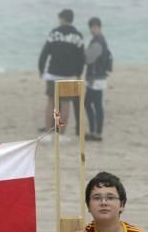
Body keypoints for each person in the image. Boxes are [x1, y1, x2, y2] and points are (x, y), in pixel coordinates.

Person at [36, 8, 85, 137]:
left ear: (63, 19)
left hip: (53, 74)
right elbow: (81, 58)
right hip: (69, 75)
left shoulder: (54, 33)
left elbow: (45, 53)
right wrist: (79, 73)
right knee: (65, 104)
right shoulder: (78, 36)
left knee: (51, 102)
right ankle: (60, 134)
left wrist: (41, 69)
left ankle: (48, 133)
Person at [83, 17, 111, 141]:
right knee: (92, 104)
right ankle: (94, 131)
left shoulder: (98, 42)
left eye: (94, 27)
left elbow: (88, 59)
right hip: (98, 77)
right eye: (91, 28)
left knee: (92, 104)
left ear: (99, 27)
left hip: (96, 78)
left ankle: (97, 132)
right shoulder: (100, 40)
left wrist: (83, 54)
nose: (92, 30)